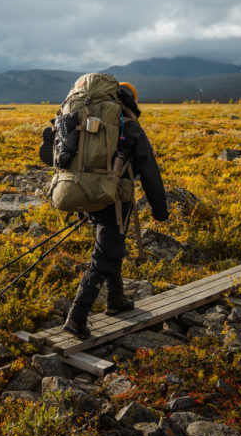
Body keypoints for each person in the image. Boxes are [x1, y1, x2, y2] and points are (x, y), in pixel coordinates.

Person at [62, 81, 168, 338]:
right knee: (103, 257)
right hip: (114, 200)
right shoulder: (129, 126)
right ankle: (77, 317)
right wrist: (160, 211)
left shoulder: (88, 119)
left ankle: (115, 300)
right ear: (132, 100)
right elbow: (150, 171)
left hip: (85, 193)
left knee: (111, 246)